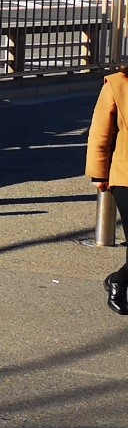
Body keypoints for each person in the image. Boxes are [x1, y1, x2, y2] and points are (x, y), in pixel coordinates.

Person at [85, 58, 128, 314]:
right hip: (125, 176)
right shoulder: (117, 85)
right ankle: (119, 281)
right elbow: (100, 133)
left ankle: (118, 279)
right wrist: (99, 175)